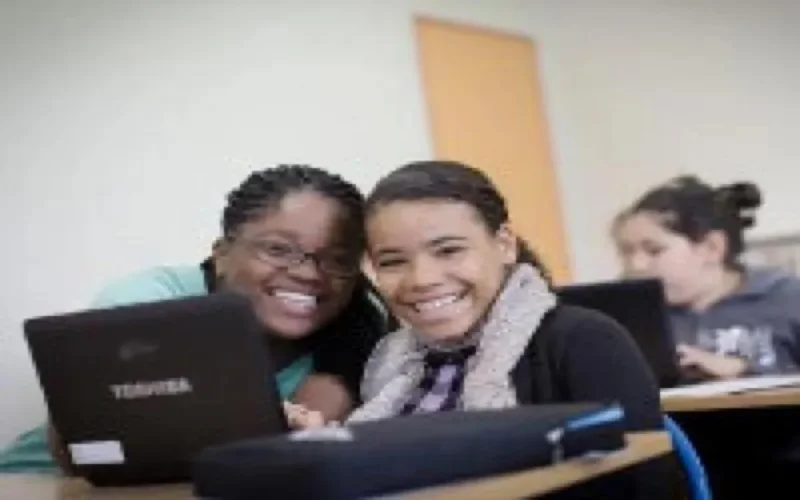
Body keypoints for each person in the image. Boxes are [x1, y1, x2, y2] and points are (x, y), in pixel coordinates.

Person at [0, 165, 391, 474]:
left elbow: (294, 452)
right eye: (278, 249)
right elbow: (79, 451)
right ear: (221, 252)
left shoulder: (352, 336)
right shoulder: (149, 298)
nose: (308, 274)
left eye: (338, 259)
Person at [347, 160, 666, 498]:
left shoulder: (584, 341)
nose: (422, 279)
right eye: (392, 262)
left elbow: (645, 484)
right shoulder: (386, 364)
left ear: (504, 245)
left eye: (449, 251)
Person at [613, 175, 800, 380]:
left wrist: (744, 370)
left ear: (712, 247)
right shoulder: (628, 315)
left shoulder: (787, 297)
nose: (635, 265)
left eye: (654, 250)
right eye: (626, 252)